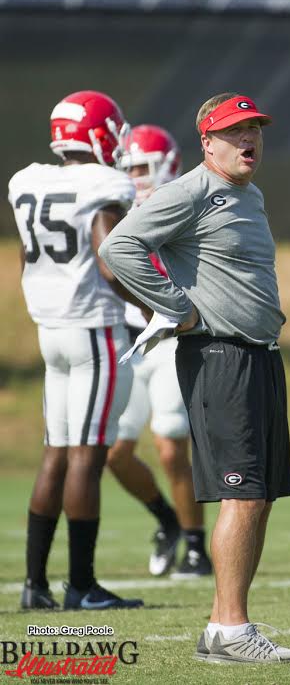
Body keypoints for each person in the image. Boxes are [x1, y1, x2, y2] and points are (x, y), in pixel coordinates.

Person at [99, 93, 290, 663]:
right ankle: (232, 630)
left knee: (258, 497)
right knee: (241, 496)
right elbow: (120, 246)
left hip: (259, 356)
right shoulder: (191, 190)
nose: (250, 140)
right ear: (207, 141)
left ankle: (223, 628)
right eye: (236, 131)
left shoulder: (249, 193)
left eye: (256, 130)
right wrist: (177, 309)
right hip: (219, 358)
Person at [9, 90, 146, 610]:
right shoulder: (105, 183)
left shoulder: (28, 179)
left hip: (51, 329)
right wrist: (155, 308)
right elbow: (110, 262)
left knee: (56, 453)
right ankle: (82, 587)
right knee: (87, 457)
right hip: (93, 329)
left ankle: (35, 586)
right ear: (99, 133)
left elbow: (27, 256)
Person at [106, 124, 212, 579]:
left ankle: (194, 545)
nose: (136, 176)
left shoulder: (182, 203)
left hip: (171, 341)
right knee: (113, 454)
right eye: (128, 167)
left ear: (168, 163)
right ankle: (167, 521)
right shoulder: (111, 209)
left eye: (143, 166)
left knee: (171, 447)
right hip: (132, 343)